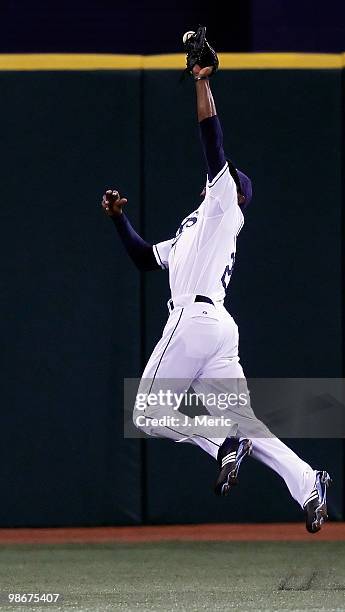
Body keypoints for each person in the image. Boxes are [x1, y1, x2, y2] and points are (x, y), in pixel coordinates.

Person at [101, 40, 331, 533]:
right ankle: (308, 480)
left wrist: (203, 81)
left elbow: (212, 142)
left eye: (225, 179)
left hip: (194, 320)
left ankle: (223, 441)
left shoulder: (225, 204)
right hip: (219, 331)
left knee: (146, 412)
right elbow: (146, 258)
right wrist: (120, 221)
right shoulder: (194, 229)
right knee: (249, 425)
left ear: (235, 192)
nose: (217, 180)